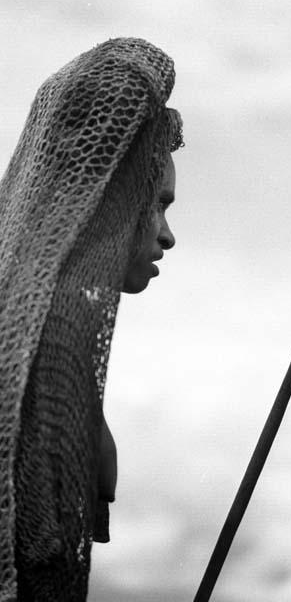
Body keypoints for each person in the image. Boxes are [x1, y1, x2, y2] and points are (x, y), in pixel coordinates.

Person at [0, 37, 184, 601]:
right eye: (157, 203)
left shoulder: (46, 333)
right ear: (111, 200)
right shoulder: (45, 352)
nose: (167, 236)